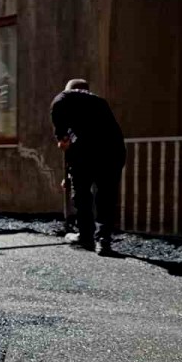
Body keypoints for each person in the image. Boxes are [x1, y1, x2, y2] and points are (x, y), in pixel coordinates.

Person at [50, 78, 126, 255]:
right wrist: (69, 174)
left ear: (69, 89)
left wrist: (62, 144)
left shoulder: (62, 99)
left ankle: (85, 236)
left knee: (82, 194)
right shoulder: (99, 102)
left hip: (86, 153)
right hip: (114, 152)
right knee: (106, 196)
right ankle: (103, 241)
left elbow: (66, 144)